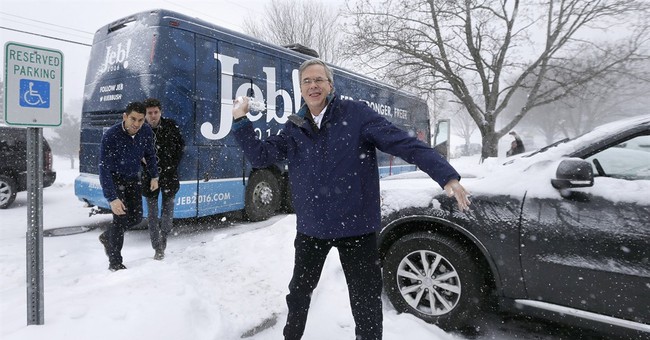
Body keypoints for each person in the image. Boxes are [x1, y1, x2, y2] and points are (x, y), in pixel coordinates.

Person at [231, 58, 471, 340]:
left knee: (366, 303)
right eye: (306, 82)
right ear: (301, 90)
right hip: (312, 230)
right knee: (298, 296)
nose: (313, 85)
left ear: (330, 85)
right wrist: (241, 120)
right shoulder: (295, 128)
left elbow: (403, 143)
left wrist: (446, 176)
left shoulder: (356, 115)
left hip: (356, 229)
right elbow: (261, 155)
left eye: (318, 79)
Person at [98, 101, 159, 271]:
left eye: (141, 120)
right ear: (125, 117)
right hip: (116, 180)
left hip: (133, 179)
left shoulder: (145, 131)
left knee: (137, 217)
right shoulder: (111, 135)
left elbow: (150, 154)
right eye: (133, 119)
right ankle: (115, 262)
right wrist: (112, 198)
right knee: (120, 219)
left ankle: (107, 236)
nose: (137, 124)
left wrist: (154, 175)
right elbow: (104, 169)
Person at [142, 98, 184, 260]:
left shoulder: (170, 126)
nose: (153, 116)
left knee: (168, 214)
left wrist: (171, 165)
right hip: (149, 178)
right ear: (145, 114)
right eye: (150, 113)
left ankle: (164, 238)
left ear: (160, 112)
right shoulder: (141, 129)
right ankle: (157, 248)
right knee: (152, 215)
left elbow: (180, 146)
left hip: (169, 176)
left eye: (156, 112)